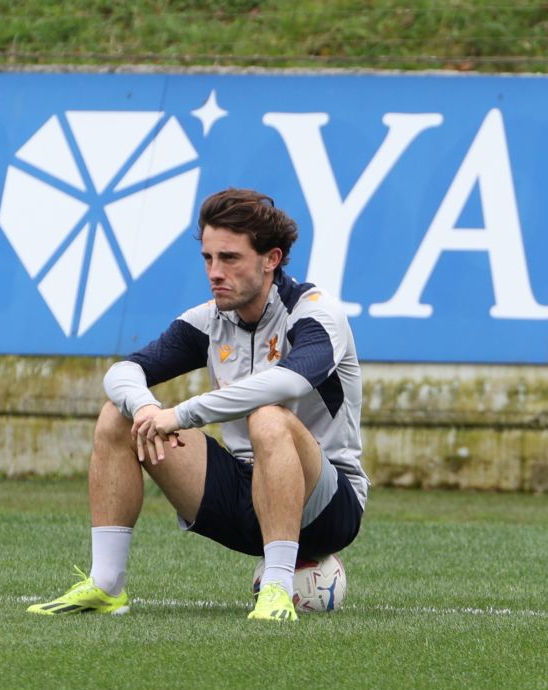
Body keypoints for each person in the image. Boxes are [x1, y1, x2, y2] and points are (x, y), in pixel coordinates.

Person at [27, 187, 366, 622]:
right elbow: (122, 372)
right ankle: (106, 585)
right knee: (119, 413)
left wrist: (183, 414)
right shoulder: (209, 318)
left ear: (271, 259)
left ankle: (277, 591)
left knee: (268, 418)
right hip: (243, 499)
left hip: (326, 509)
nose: (215, 272)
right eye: (208, 258)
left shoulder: (315, 314)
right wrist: (148, 408)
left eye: (230, 258)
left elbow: (290, 382)